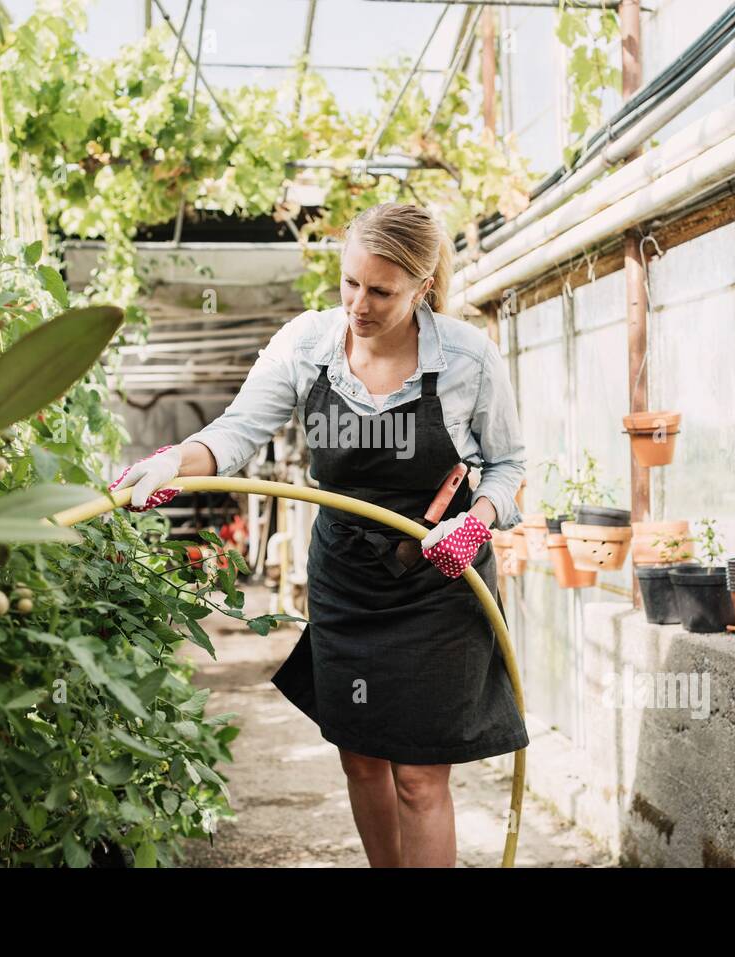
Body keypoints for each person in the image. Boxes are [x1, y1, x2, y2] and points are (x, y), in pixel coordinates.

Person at [112, 202, 528, 867]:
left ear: (422, 287)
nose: (359, 304)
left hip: (439, 577)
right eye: (350, 283)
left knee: (419, 777)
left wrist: (477, 520)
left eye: (381, 291)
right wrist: (172, 463)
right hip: (349, 578)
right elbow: (236, 433)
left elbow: (509, 466)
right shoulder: (306, 344)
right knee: (363, 762)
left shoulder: (467, 358)